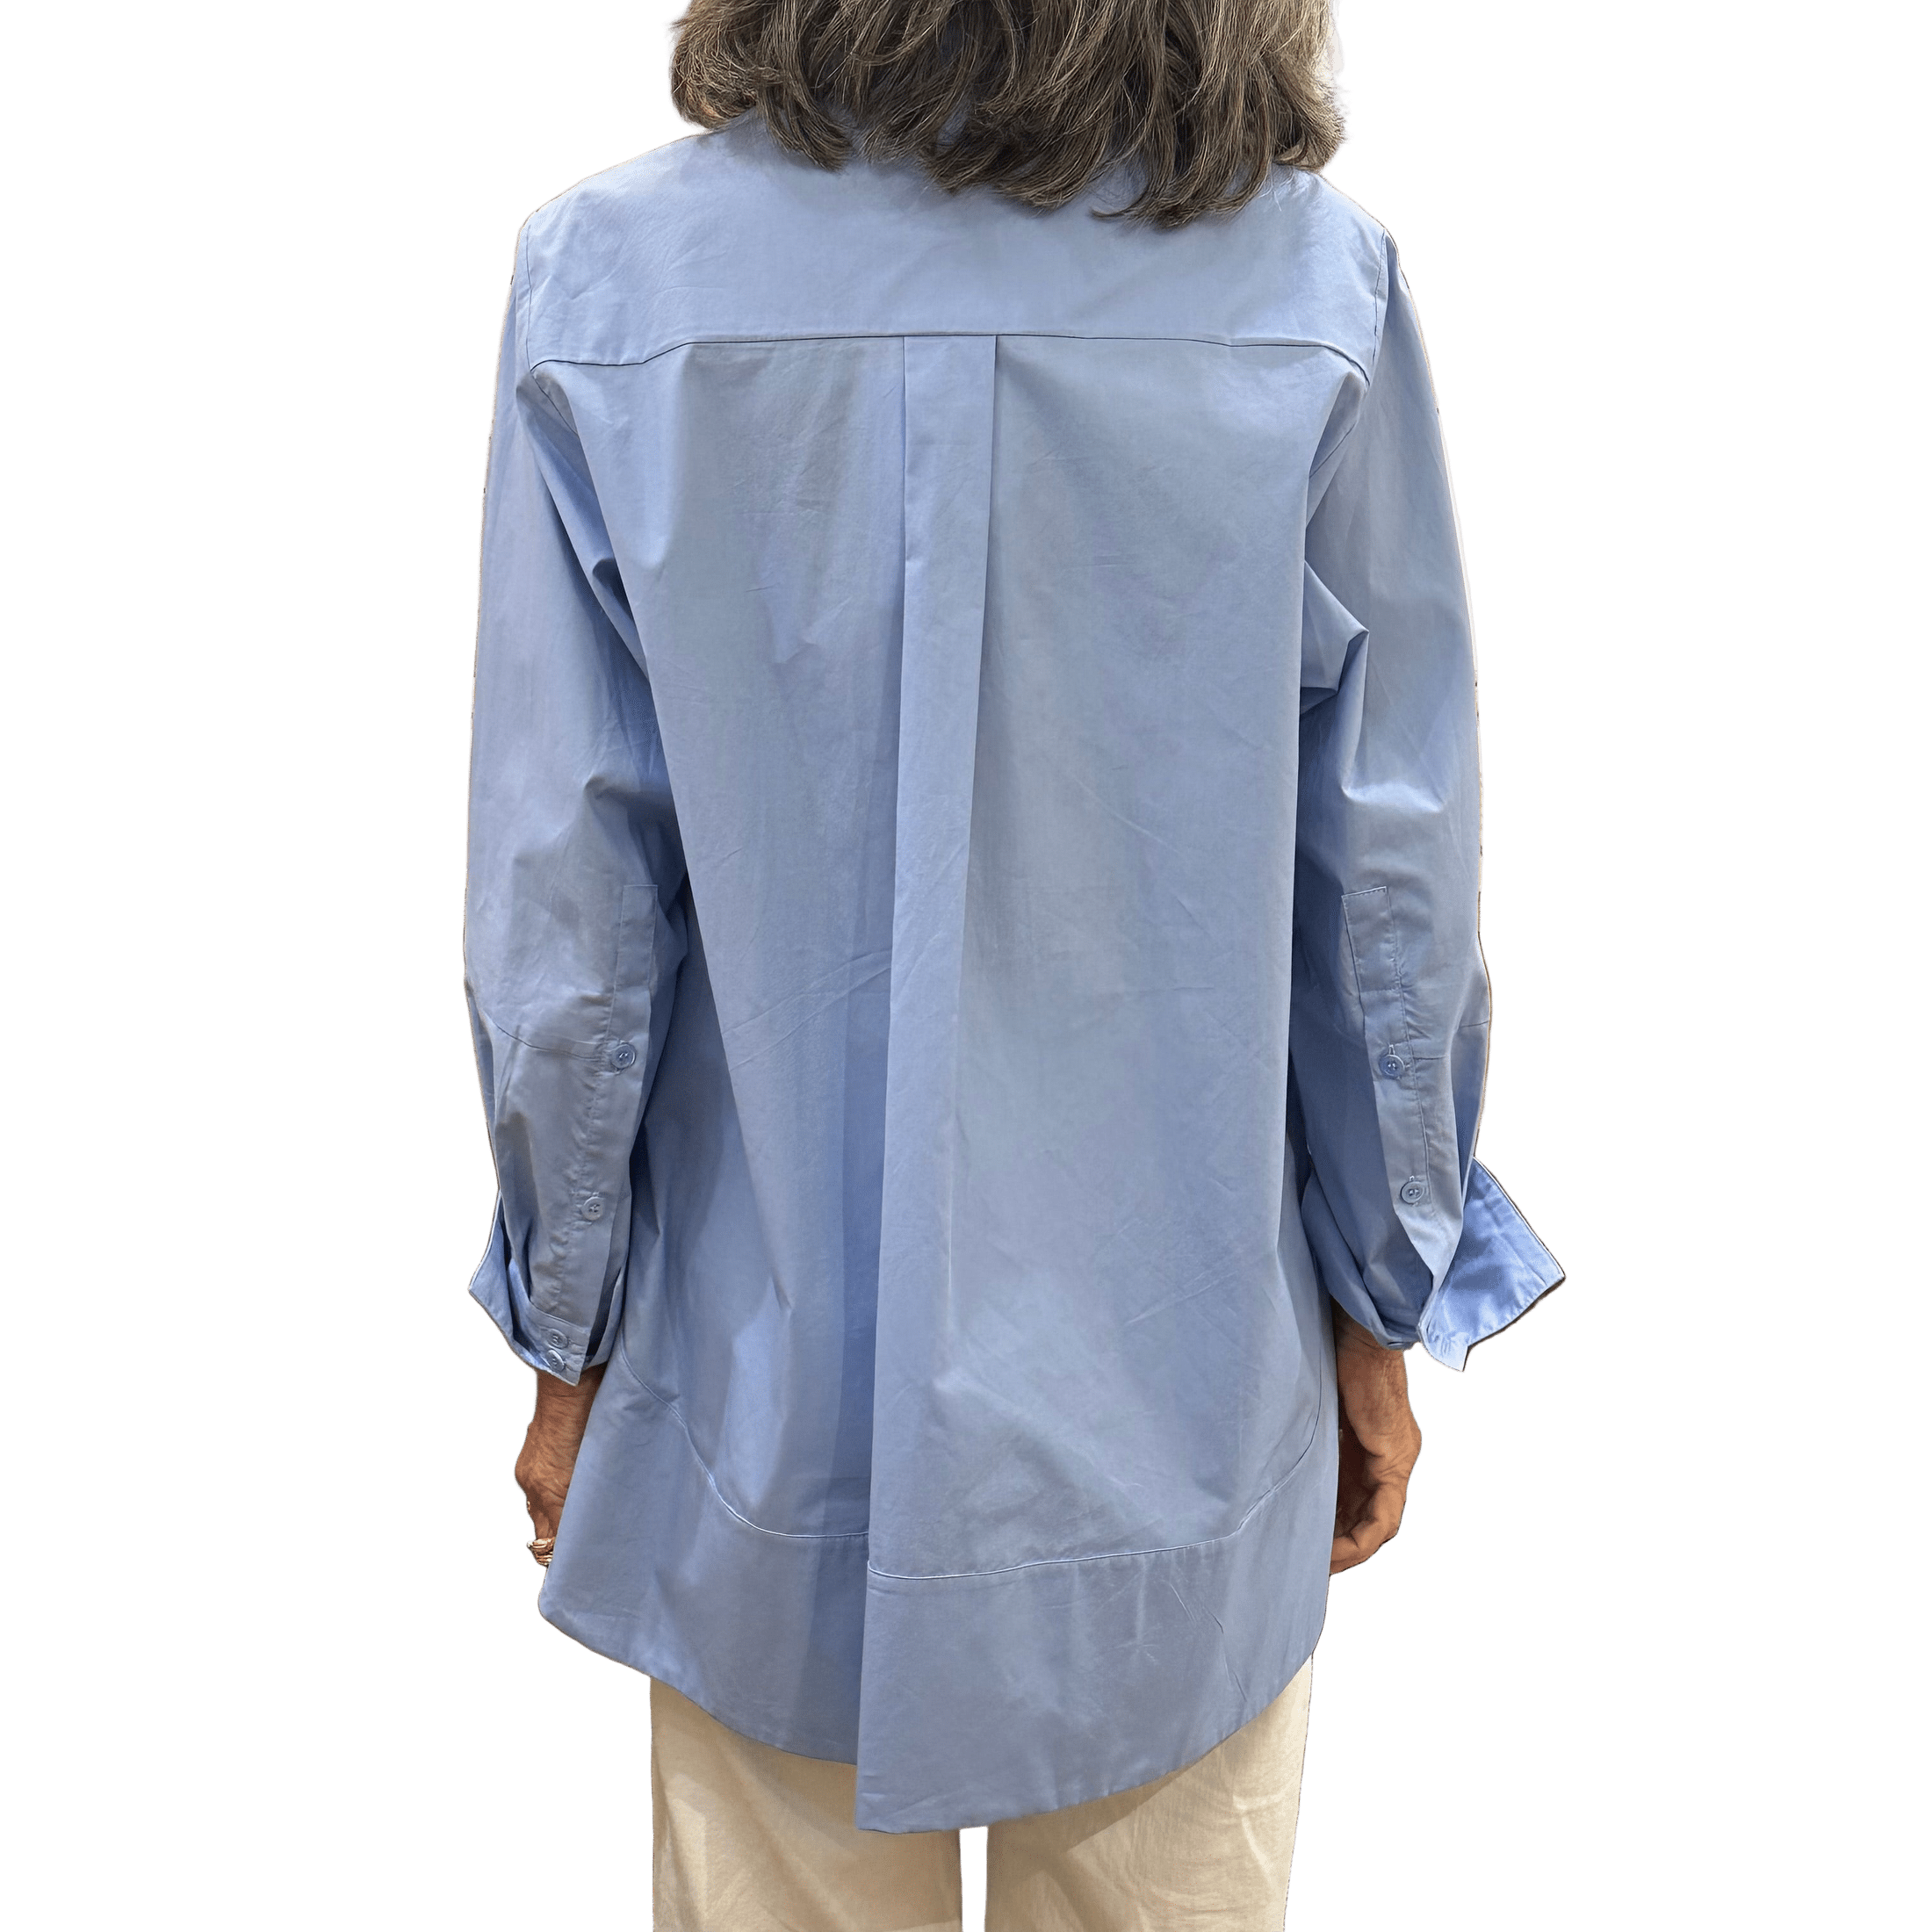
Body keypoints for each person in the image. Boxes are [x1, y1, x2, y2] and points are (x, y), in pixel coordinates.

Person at [462, 0, 1562, 1922]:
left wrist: (568, 1330)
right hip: (1183, 1425)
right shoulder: (1314, 279)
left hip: (753, 1410)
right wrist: (1385, 1300)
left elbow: (568, 905)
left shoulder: (607, 277)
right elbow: (1388, 885)